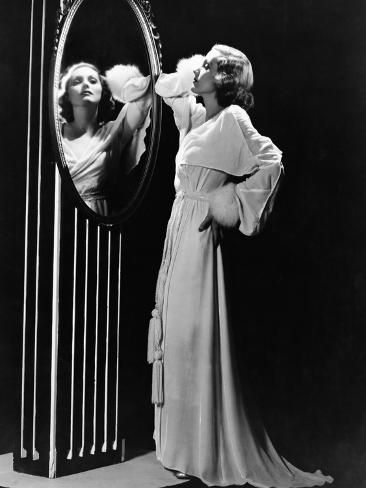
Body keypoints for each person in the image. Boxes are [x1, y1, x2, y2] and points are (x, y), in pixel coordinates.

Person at [147, 44, 333, 487]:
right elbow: (163, 86)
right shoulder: (194, 118)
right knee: (174, 336)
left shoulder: (234, 120)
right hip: (178, 230)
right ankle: (181, 449)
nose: (200, 68)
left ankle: (206, 449)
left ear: (227, 80)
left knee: (195, 336)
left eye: (209, 66)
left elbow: (272, 162)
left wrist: (225, 202)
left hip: (201, 234)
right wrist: (197, 69)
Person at [59, 62, 151, 216]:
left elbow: (146, 95)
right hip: (59, 217)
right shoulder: (56, 132)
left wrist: (112, 80)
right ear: (67, 93)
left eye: (93, 81)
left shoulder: (113, 133)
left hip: (98, 224)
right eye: (77, 81)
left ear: (102, 91)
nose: (85, 84)